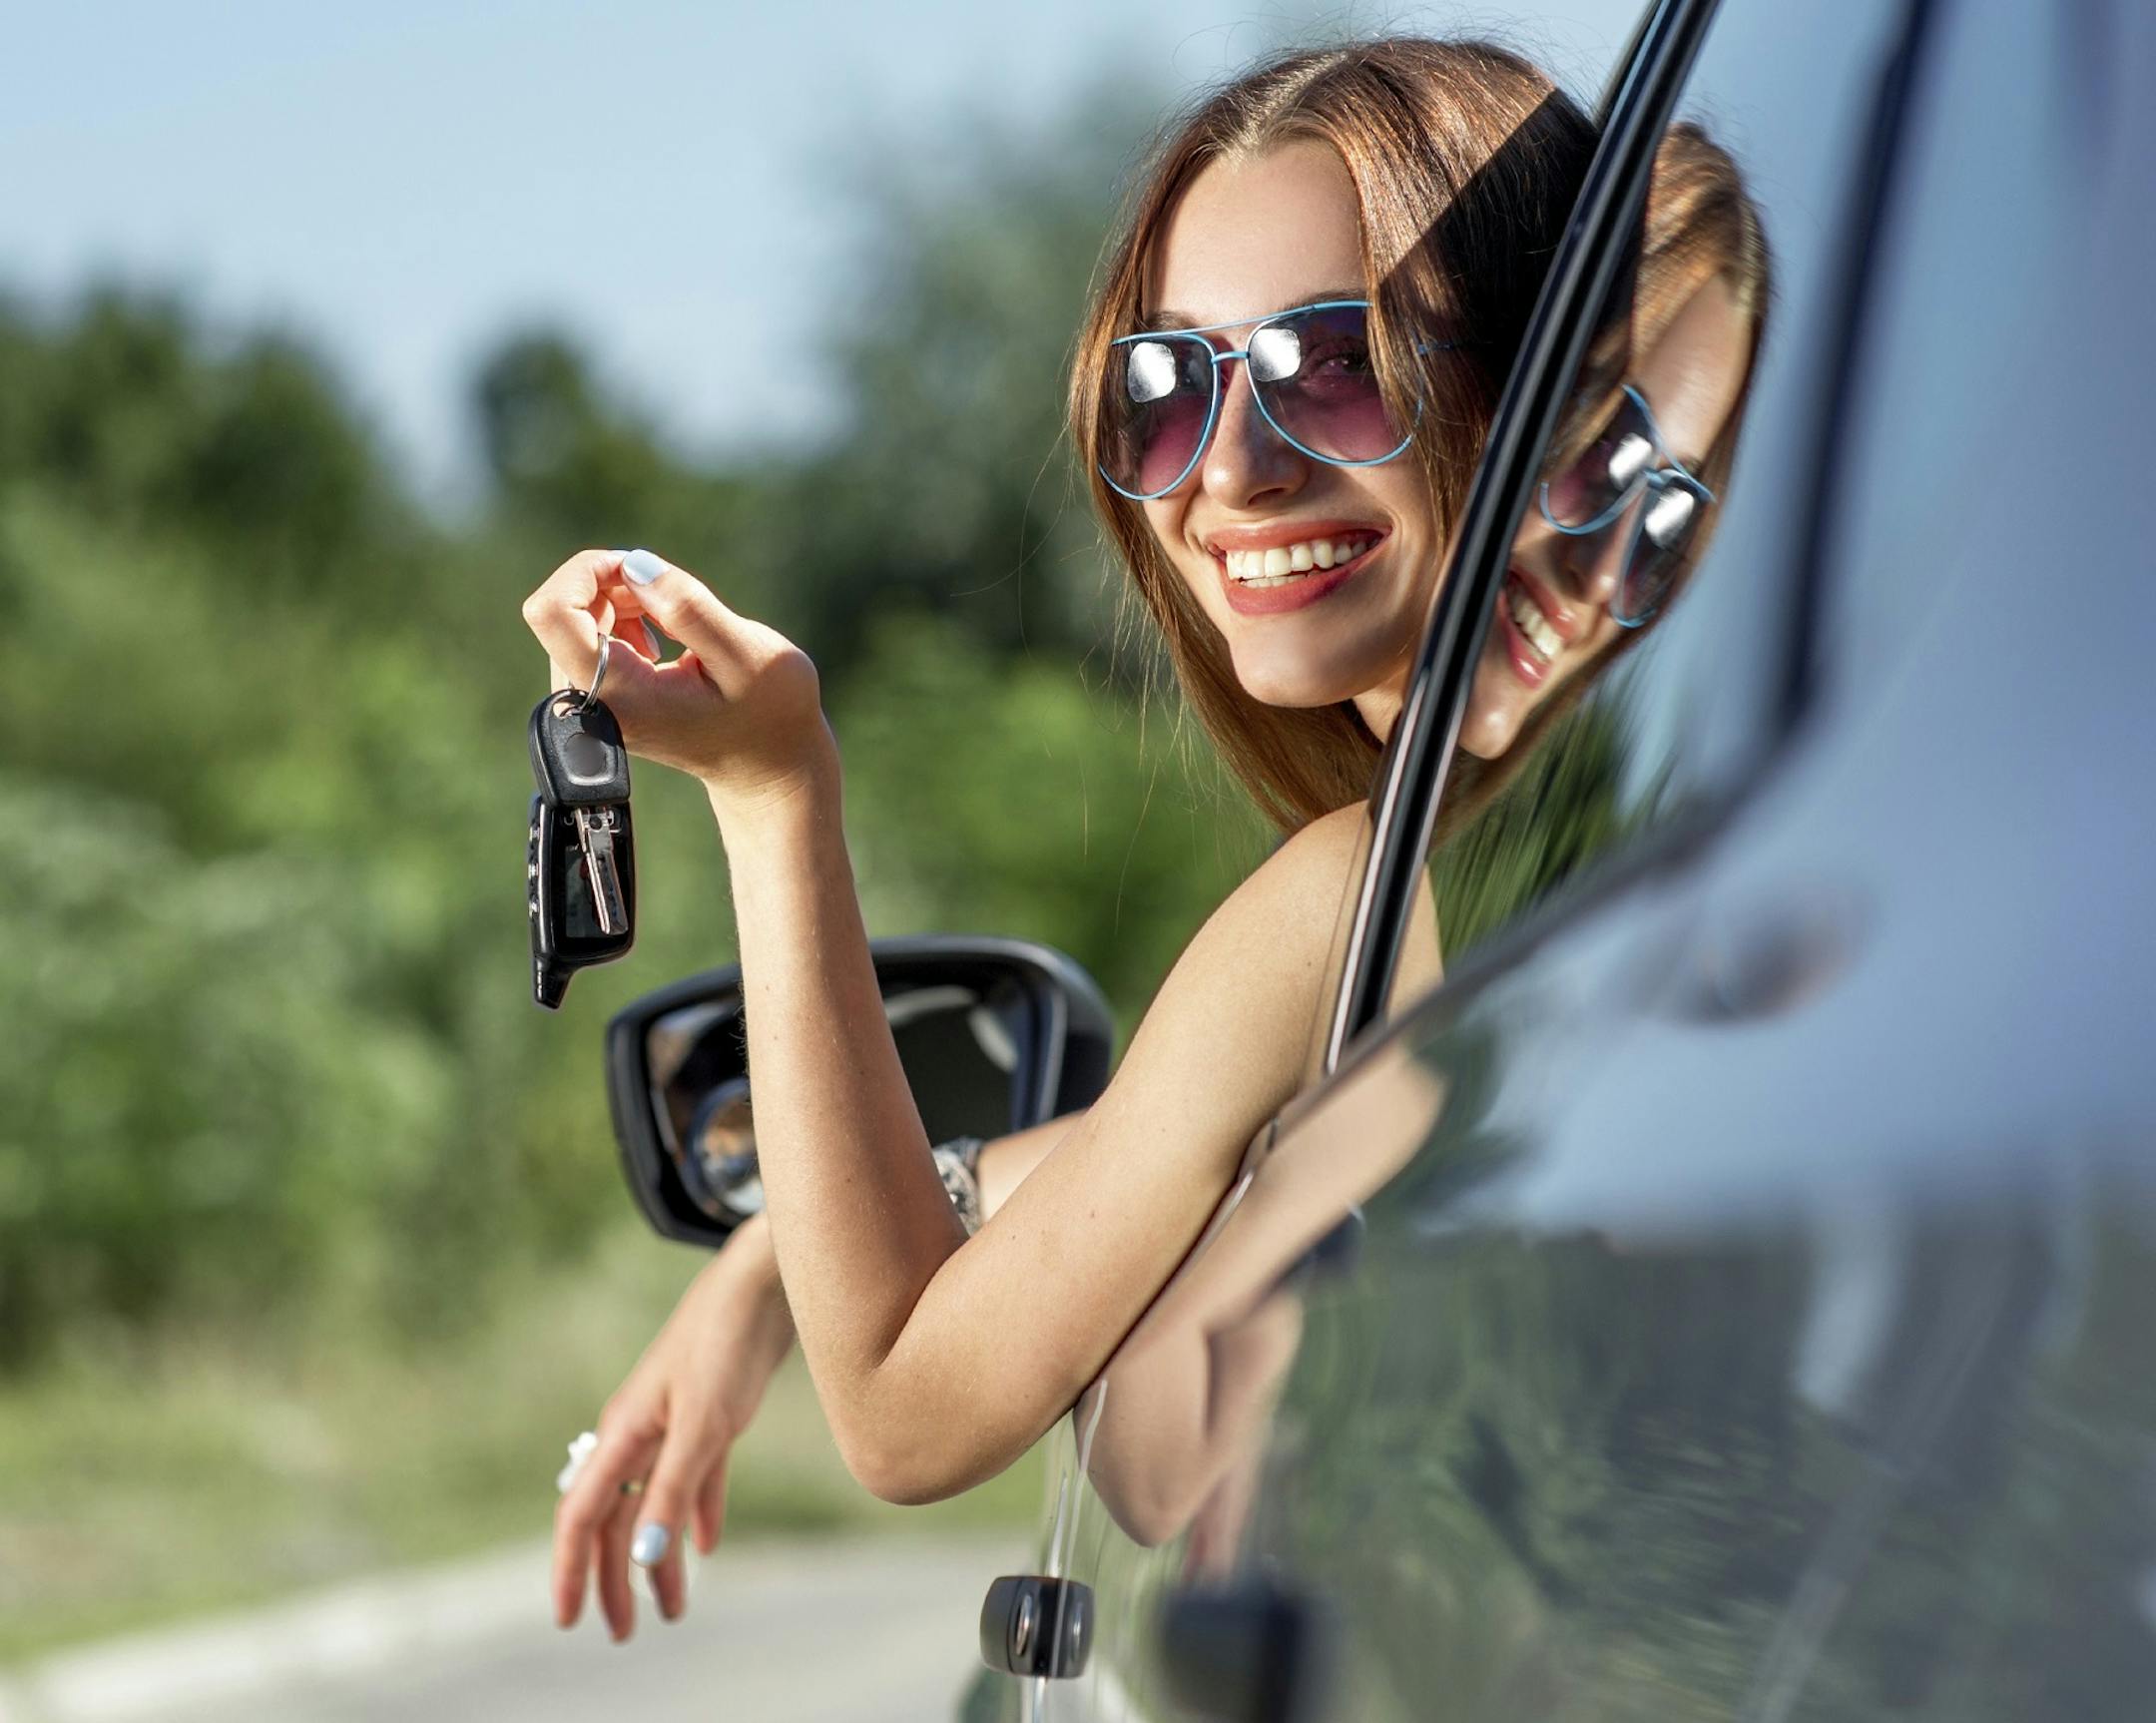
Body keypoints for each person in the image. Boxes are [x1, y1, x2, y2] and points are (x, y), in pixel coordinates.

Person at [524, 37, 1601, 1640]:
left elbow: (902, 1398)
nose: (1232, 468)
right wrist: (760, 1270)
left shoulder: (1354, 905)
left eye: (1342, 361)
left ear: (1560, 401)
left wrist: (772, 787)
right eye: (1167, 391)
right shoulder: (1543, 873)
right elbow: (1170, 1151)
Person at [1076, 120, 1776, 1559]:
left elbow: (1143, 1452)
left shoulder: (1604, 903)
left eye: (1664, 518)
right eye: (1582, 456)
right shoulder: (1435, 882)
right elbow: (1170, 1190)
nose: (1590, 563)